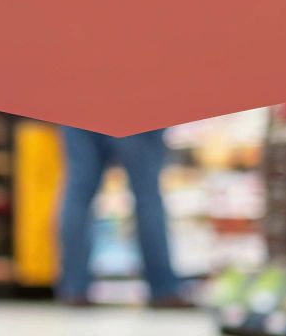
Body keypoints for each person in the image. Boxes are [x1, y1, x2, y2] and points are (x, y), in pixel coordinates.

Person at [55, 126, 188, 307]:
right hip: (135, 108)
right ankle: (163, 289)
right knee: (147, 194)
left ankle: (74, 289)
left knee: (78, 192)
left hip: (77, 104)